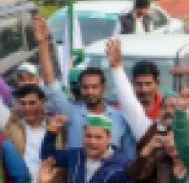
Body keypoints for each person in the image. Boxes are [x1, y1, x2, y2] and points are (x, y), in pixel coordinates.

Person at [0, 19, 52, 182]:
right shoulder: (9, 122)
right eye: (23, 103)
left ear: (42, 103)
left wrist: (43, 44)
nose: (27, 108)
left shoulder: (56, 127)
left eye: (32, 103)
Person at [36, 28, 137, 159]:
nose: (90, 91)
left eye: (94, 87)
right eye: (85, 87)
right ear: (80, 88)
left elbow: (129, 159)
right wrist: (43, 44)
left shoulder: (120, 119)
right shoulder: (71, 112)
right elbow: (51, 85)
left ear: (103, 88)